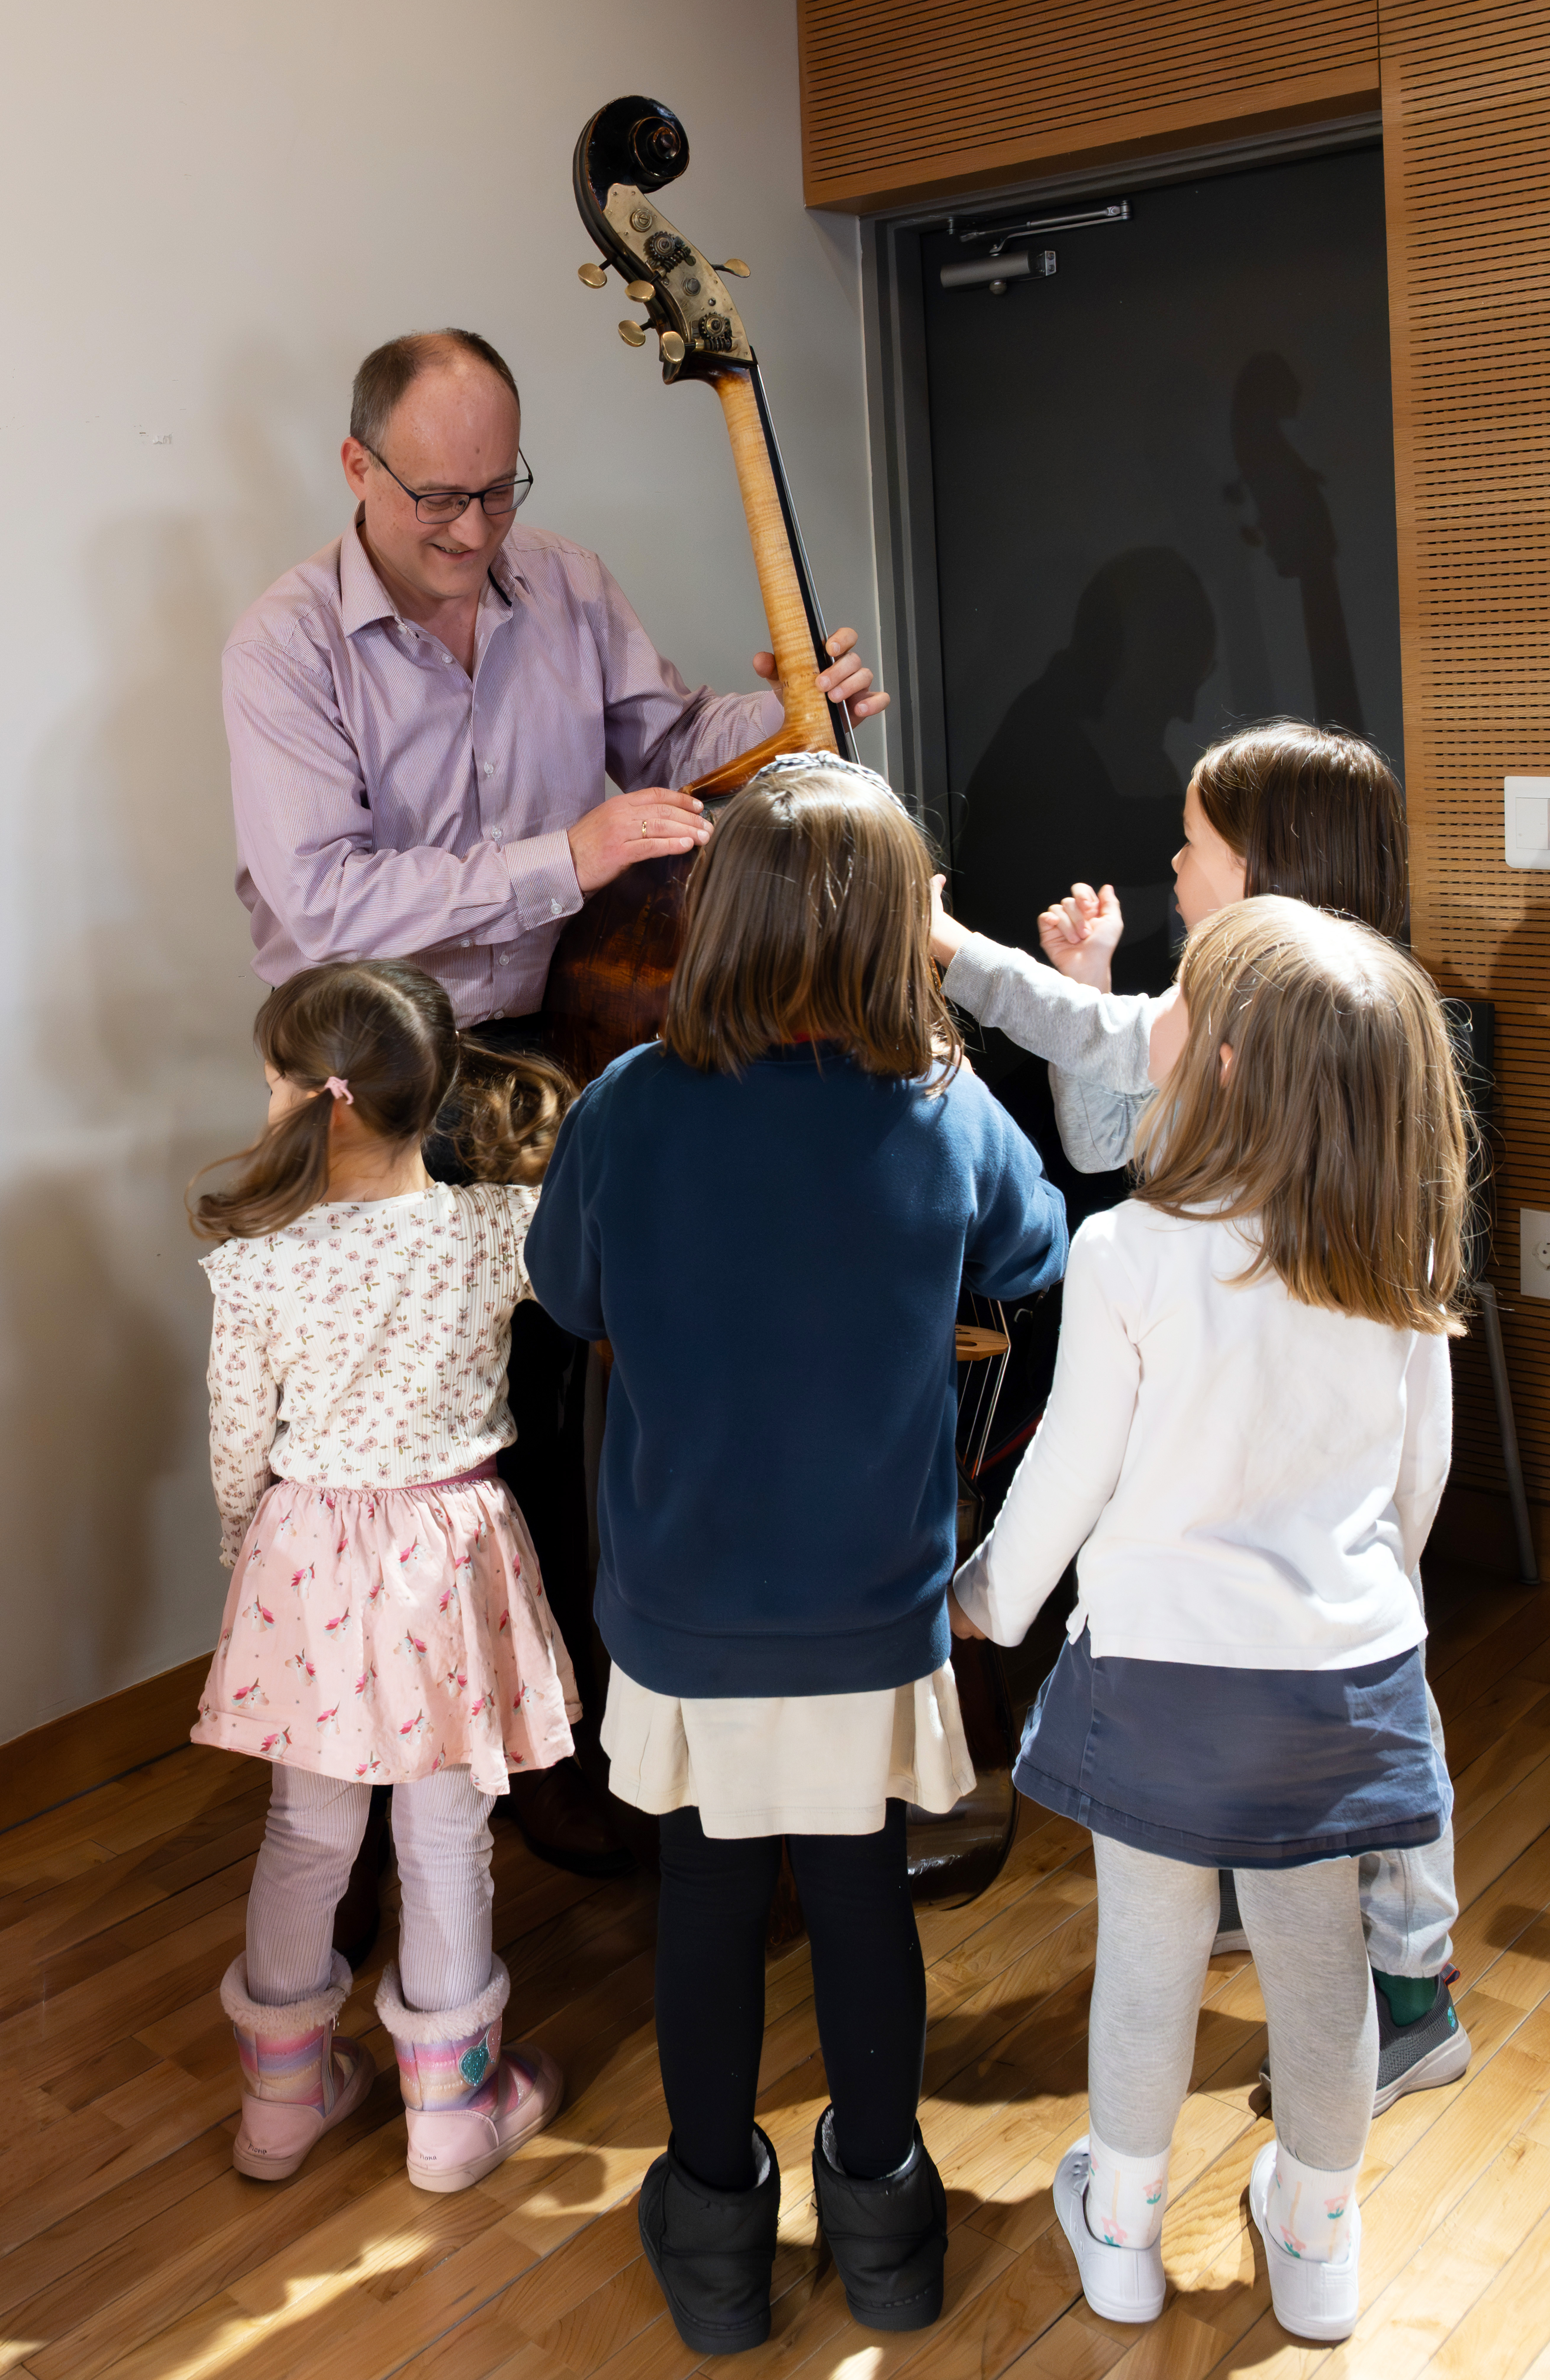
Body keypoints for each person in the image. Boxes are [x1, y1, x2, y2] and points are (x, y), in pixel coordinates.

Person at [222, 324, 888, 1885]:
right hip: (375, 1078)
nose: (473, 535)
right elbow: (323, 912)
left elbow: (671, 749)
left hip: (562, 1049)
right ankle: (383, 1807)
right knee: (409, 1462)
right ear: (357, 470)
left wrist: (793, 709)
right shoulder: (286, 646)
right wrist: (559, 861)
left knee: (579, 1409)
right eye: (437, 500)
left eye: (498, 494)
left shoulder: (567, 586)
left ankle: (572, 1747)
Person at [528, 753, 1068, 2355]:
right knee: (858, 1899)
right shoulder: (936, 1104)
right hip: (867, 1603)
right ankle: (887, 2222)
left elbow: (568, 1298)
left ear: (721, 920)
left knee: (701, 1897)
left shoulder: (630, 1107)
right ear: (904, 932)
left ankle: (714, 2240)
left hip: (689, 1603)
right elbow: (1033, 1251)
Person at [952, 897, 1469, 2343]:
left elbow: (1070, 1470)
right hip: (1336, 1679)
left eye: (1171, 999)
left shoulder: (1131, 1252)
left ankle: (1118, 2226)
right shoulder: (1397, 1254)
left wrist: (987, 1597)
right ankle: (1312, 2237)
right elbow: (1413, 1485)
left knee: (1150, 1948)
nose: (1148, 1020)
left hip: (1163, 1685)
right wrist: (1355, 1614)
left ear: (1227, 1064)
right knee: (1319, 1960)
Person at [191, 959, 579, 2193]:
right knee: (446, 1835)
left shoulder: (259, 1259)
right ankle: (451, 2120)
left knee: (306, 1834)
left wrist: (241, 1555)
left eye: (273, 1086)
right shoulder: (496, 1229)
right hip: (447, 1556)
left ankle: (280, 2111)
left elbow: (232, 1436)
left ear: (330, 1102)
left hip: (304, 1557)